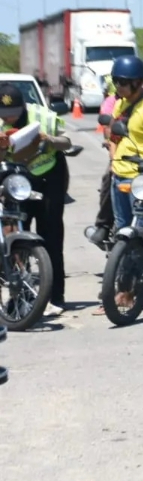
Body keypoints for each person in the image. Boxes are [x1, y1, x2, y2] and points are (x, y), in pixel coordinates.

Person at [0, 86, 72, 316]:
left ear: (23, 107)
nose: (8, 116)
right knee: (15, 238)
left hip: (50, 175)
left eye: (12, 111)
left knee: (50, 235)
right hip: (18, 178)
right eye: (3, 111)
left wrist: (47, 139)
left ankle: (56, 296)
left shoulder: (42, 116)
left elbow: (66, 142)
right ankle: (23, 296)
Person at [85, 83, 143, 248]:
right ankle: (106, 231)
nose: (119, 86)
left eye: (123, 82)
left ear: (136, 82)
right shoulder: (119, 104)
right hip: (119, 173)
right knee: (121, 224)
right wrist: (113, 160)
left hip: (139, 177)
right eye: (116, 81)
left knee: (141, 227)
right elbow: (113, 135)